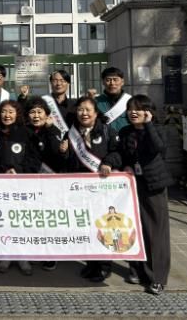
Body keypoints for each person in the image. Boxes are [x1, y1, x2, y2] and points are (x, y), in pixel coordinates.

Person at [99, 94, 173, 295]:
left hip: (154, 186)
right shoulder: (125, 132)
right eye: (130, 109)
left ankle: (158, 278)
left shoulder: (157, 129)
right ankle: (138, 270)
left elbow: (158, 148)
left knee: (156, 233)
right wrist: (110, 163)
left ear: (148, 111)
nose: (133, 112)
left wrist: (148, 124)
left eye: (138, 109)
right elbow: (121, 154)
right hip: (132, 186)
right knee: (134, 228)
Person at [60, 96, 119, 282]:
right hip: (80, 189)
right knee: (86, 226)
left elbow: (117, 152)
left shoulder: (107, 130)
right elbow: (66, 162)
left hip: (101, 187)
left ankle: (104, 266)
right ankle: (91, 263)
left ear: (95, 113)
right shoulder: (71, 133)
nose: (83, 113)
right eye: (80, 110)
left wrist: (108, 162)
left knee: (102, 225)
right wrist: (63, 152)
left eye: (87, 109)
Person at [0, 100, 38, 276]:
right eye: (4, 112)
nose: (7, 115)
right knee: (6, 220)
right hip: (1, 184)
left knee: (21, 221)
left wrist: (19, 172)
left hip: (22, 184)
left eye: (11, 112)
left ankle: (23, 257)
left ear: (17, 114)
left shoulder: (27, 133)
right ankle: (6, 255)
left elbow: (34, 159)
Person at [24, 97, 67, 272]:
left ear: (47, 115)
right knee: (33, 219)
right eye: (32, 112)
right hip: (30, 182)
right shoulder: (24, 131)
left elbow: (58, 154)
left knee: (49, 220)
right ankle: (35, 251)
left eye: (39, 112)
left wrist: (49, 129)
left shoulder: (54, 130)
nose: (36, 116)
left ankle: (50, 254)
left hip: (50, 182)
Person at [95, 67, 131, 132]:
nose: (112, 83)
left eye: (115, 80)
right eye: (108, 80)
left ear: (122, 82)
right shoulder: (96, 102)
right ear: (103, 82)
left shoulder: (131, 101)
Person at [42, 70, 77, 137]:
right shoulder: (43, 103)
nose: (58, 84)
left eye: (62, 80)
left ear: (68, 84)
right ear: (51, 83)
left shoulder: (75, 105)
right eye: (55, 80)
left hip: (70, 141)